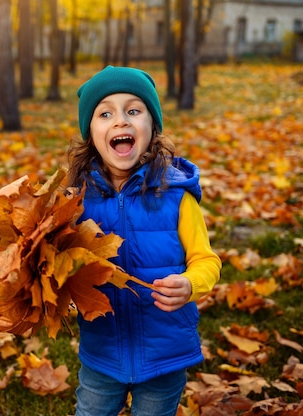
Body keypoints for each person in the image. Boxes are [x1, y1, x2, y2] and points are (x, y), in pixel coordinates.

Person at [67, 66, 222, 416]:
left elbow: (207, 260)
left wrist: (190, 283)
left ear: (152, 128)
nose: (120, 121)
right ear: (91, 134)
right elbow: (62, 264)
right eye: (105, 113)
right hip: (102, 354)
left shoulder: (177, 198)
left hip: (165, 354)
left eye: (133, 110)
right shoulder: (75, 202)